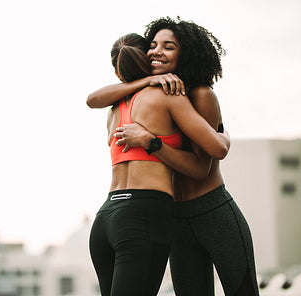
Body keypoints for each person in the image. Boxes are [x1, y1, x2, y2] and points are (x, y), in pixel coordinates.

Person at [87, 17, 260, 296]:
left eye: (169, 47)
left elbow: (203, 166)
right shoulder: (146, 92)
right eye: (153, 45)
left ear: (185, 53)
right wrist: (148, 80)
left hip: (212, 210)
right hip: (173, 216)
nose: (157, 51)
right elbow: (93, 98)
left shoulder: (199, 95)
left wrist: (151, 142)